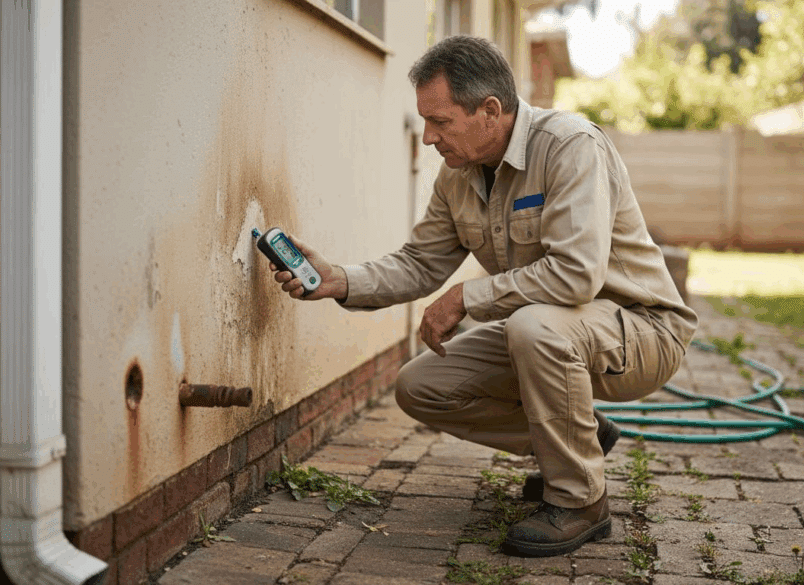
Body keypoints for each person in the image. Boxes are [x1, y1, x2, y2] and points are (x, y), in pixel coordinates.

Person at [270, 35, 697, 557]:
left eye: (440, 122)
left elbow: (576, 276)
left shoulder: (570, 147)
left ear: (490, 111)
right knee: (421, 384)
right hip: (557, 332)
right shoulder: (459, 175)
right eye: (425, 121)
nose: (428, 137)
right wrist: (340, 278)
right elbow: (421, 261)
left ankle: (581, 500)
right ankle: (578, 438)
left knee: (532, 325)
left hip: (642, 330)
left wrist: (466, 297)